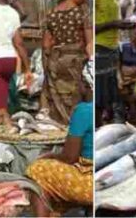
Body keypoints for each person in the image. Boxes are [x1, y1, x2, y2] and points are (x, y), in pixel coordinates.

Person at [27, 61, 93, 217]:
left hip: (90, 180)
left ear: (86, 84)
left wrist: (50, 156)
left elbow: (70, 157)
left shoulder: (84, 110)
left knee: (37, 170)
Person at [41, 0, 92, 125]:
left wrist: (47, 68)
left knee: (57, 104)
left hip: (56, 63)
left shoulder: (51, 13)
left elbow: (46, 46)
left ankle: (61, 137)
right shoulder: (81, 12)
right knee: (76, 102)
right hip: (75, 64)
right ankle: (75, 135)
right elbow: (89, 43)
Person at [95, 0, 136, 127]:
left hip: (111, 46)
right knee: (98, 96)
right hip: (99, 46)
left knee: (107, 94)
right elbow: (88, 28)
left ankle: (102, 129)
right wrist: (114, 24)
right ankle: (97, 131)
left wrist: (122, 25)